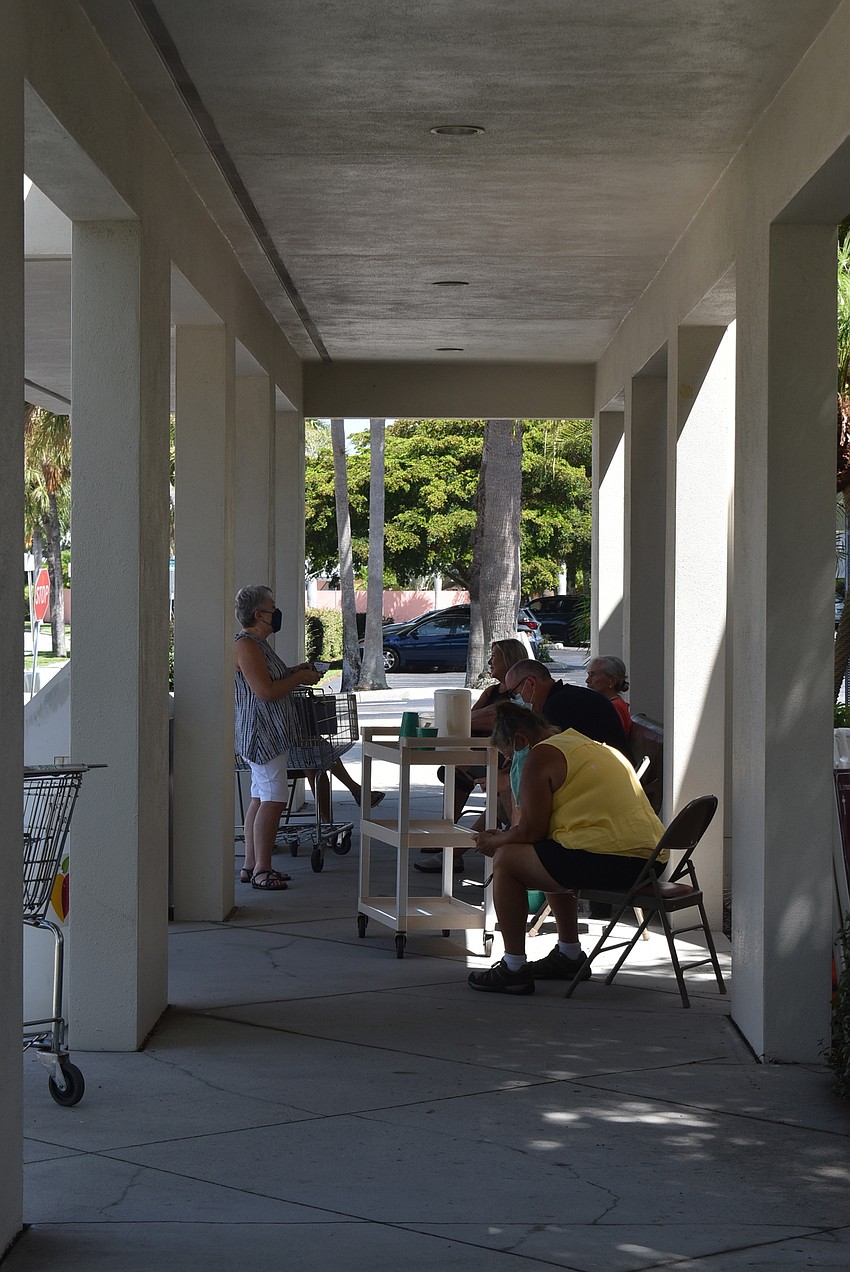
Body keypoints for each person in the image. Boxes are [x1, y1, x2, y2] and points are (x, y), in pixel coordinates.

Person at [467, 702, 665, 995]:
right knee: (548, 849)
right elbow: (541, 833)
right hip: (648, 861)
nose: (510, 763)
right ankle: (569, 954)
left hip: (609, 862)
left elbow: (532, 830)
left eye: (509, 755)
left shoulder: (540, 756)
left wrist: (494, 840)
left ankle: (513, 968)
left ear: (520, 740)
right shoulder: (591, 746)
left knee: (507, 860)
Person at [414, 638, 528, 875]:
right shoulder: (492, 691)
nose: (489, 661)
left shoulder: (520, 697)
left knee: (486, 782)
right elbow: (467, 718)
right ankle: (446, 838)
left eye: (494, 656)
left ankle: (454, 852)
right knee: (455, 770)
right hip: (483, 756)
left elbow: (473, 719)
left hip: (503, 761)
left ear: (508, 659)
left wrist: (474, 719)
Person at [234, 585, 320, 889]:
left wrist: (296, 671)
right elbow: (265, 691)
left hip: (271, 733)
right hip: (262, 735)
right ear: (259, 614)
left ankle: (251, 865)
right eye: (273, 607)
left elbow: (272, 680)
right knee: (273, 799)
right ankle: (262, 870)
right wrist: (299, 678)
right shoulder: (246, 645)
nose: (277, 612)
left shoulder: (259, 644)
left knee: (260, 797)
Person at [504, 658, 631, 758]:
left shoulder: (560, 705)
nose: (516, 699)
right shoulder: (563, 697)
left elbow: (550, 756)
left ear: (531, 683)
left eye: (515, 693)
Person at [586, 656, 631, 733]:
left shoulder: (612, 707)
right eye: (588, 675)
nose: (587, 680)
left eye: (593, 675)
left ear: (613, 681)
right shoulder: (612, 704)